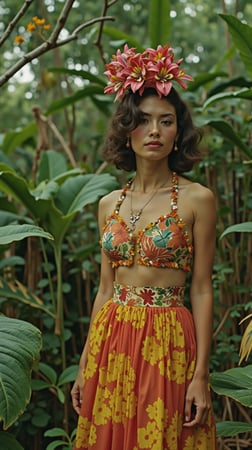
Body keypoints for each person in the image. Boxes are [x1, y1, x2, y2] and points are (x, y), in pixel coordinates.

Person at [71, 44, 217, 450]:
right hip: (112, 337)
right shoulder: (108, 204)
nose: (154, 131)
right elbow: (105, 288)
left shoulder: (197, 199)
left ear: (178, 133)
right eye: (143, 120)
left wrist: (201, 375)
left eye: (166, 122)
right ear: (126, 130)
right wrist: (85, 363)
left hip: (168, 339)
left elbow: (202, 288)